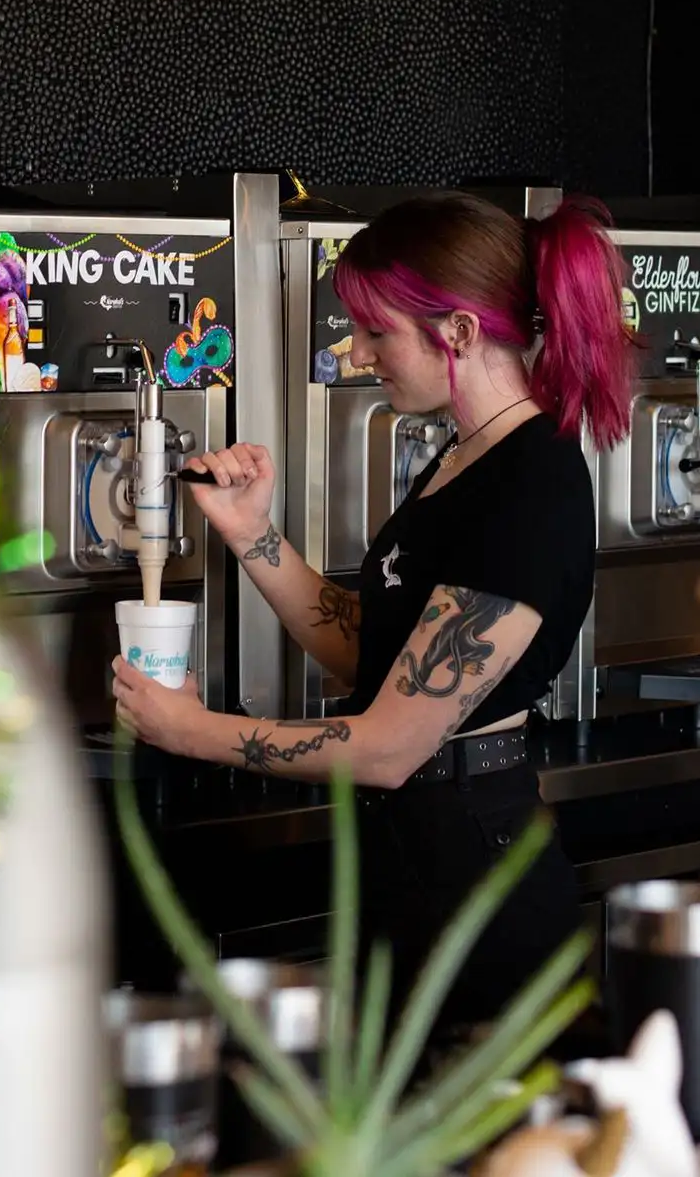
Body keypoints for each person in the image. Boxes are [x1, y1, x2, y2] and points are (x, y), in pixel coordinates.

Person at [112, 191, 636, 1028]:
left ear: (458, 332)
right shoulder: (463, 458)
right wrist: (255, 536)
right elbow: (375, 653)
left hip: (474, 883)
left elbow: (392, 743)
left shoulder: (530, 485)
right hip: (414, 859)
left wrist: (194, 730)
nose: (355, 354)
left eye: (376, 331)